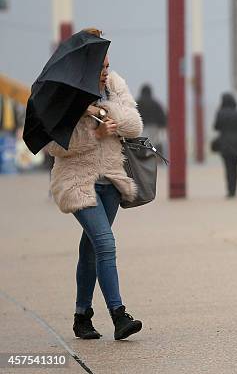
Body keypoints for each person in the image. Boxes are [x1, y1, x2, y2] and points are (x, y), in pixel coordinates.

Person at [45, 28, 144, 339]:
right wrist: (94, 134)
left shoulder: (115, 85)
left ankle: (81, 315)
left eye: (106, 66)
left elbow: (134, 123)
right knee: (105, 243)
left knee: (91, 248)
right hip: (78, 182)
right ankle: (119, 314)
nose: (105, 73)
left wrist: (103, 110)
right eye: (99, 68)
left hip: (111, 180)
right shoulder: (63, 96)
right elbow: (54, 147)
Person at [213, 93, 237, 198]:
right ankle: (234, 190)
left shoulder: (220, 113)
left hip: (225, 144)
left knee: (228, 168)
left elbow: (216, 127)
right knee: (235, 167)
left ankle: (230, 191)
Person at [136, 84, 167, 154]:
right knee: (153, 144)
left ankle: (143, 158)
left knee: (142, 144)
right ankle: (152, 158)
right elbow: (162, 116)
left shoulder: (138, 103)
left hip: (141, 127)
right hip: (154, 127)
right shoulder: (156, 103)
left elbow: (133, 115)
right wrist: (163, 126)